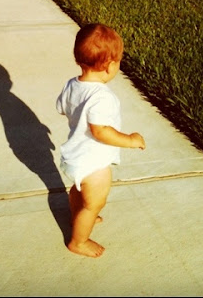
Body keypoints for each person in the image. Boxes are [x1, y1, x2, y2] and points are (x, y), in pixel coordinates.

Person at [56, 23, 146, 258]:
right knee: (94, 203)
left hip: (74, 156)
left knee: (78, 191)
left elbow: (62, 108)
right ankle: (78, 241)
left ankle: (80, 216)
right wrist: (130, 140)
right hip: (93, 163)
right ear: (109, 65)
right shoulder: (102, 97)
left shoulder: (72, 84)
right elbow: (101, 131)